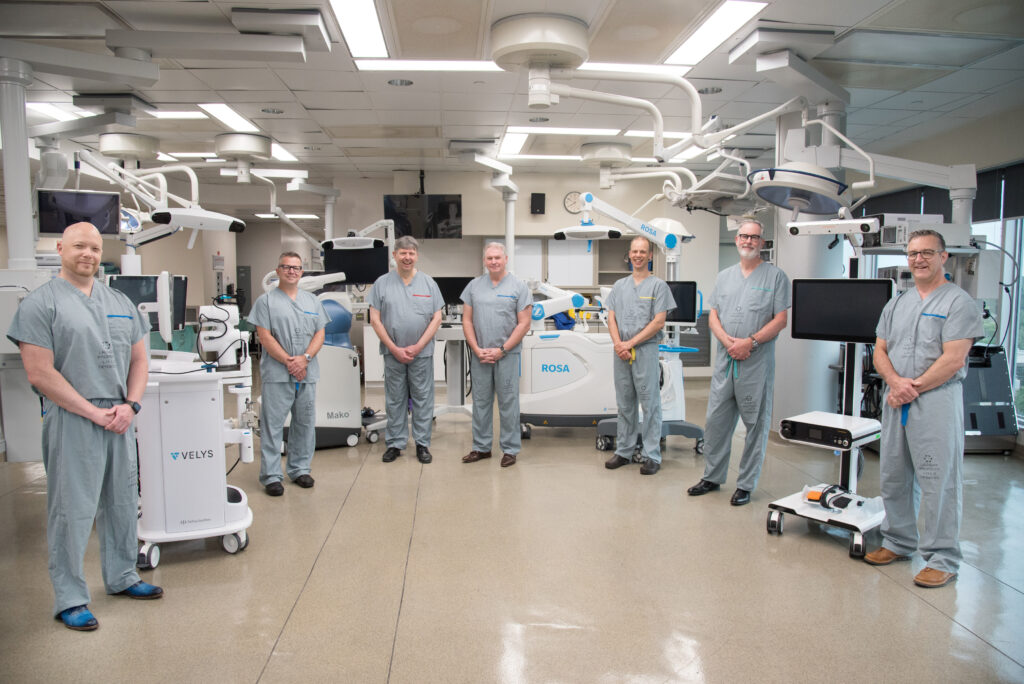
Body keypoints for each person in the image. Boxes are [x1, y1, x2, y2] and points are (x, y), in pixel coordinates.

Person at [7, 222, 163, 632]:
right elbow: (40, 373)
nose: (88, 254)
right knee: (72, 511)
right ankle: (71, 597)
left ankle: (123, 575)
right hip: (72, 419)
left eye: (95, 248)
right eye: (79, 246)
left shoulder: (119, 302)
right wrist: (93, 413)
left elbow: (139, 361)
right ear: (60, 248)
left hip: (120, 418)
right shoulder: (41, 304)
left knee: (122, 502)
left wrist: (131, 405)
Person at [865, 229, 983, 588]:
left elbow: (953, 359)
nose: (919, 259)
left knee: (938, 481)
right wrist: (896, 384)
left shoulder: (959, 303)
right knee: (894, 476)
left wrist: (910, 387)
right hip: (897, 399)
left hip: (935, 402)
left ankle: (943, 558)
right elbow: (879, 350)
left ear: (943, 257)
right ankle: (899, 541)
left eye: (927, 253)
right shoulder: (897, 303)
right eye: (913, 253)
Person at [688, 219, 789, 506]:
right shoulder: (724, 277)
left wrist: (750, 342)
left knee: (755, 424)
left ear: (762, 242)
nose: (748, 241)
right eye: (744, 236)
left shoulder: (776, 277)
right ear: (736, 240)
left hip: (756, 363)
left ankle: (745, 484)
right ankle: (712, 476)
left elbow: (780, 319)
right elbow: (713, 316)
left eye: (754, 237)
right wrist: (727, 341)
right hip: (726, 360)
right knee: (716, 422)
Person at [249, 252, 329, 496]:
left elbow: (319, 334)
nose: (291, 271)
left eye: (296, 267)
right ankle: (272, 476)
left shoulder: (313, 302)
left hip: (306, 371)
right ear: (278, 270)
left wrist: (304, 359)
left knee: (304, 423)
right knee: (273, 426)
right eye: (286, 267)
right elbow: (265, 336)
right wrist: (288, 361)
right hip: (278, 372)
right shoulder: (266, 302)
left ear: (301, 272)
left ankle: (300, 469)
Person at [368, 236, 444, 464]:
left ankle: (422, 444)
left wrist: (419, 346)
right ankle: (395, 443)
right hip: (393, 353)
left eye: (411, 253)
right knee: (395, 399)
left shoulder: (429, 283)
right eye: (403, 253)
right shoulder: (381, 283)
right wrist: (394, 347)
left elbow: (437, 317)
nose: (407, 257)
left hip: (421, 353)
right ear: (394, 255)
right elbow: (375, 319)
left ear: (416, 256)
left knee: (423, 398)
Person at [603, 236, 675, 475]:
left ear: (650, 255)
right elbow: (611, 317)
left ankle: (652, 455)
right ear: (629, 254)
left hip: (644, 350)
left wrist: (630, 343)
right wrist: (618, 344)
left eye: (643, 251)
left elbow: (658, 321)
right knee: (625, 404)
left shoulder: (658, 286)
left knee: (650, 404)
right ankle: (624, 451)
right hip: (620, 351)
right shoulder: (619, 286)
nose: (638, 255)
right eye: (634, 251)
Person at [460, 242, 532, 468]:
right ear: (484, 260)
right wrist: (476, 348)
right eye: (489, 258)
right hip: (480, 354)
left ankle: (510, 449)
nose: (493, 261)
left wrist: (502, 350)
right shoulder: (474, 286)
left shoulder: (519, 287)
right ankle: (481, 447)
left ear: (506, 259)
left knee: (508, 402)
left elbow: (524, 324)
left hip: (507, 355)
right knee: (480, 402)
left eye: (497, 258)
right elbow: (467, 320)